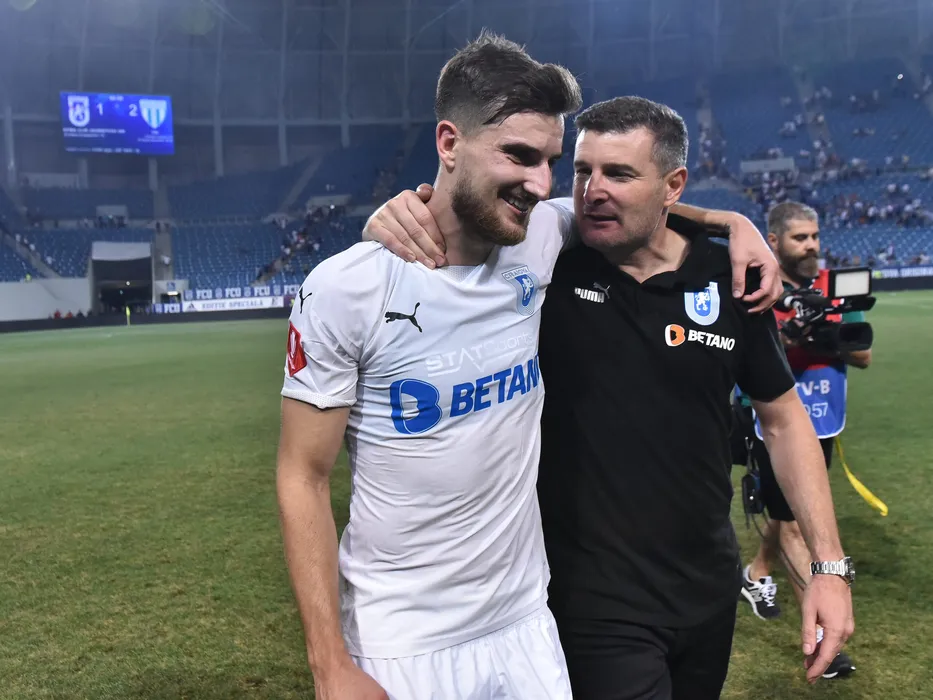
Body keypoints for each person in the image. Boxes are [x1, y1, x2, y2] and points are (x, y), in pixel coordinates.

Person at [364, 96, 854, 699]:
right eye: (582, 170)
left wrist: (829, 567)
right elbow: (459, 213)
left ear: (673, 185)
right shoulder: (543, 268)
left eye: (619, 174)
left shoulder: (729, 279)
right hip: (593, 600)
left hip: (707, 588)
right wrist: (398, 212)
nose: (592, 190)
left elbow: (782, 420)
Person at [738, 201, 869, 679]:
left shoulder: (833, 287)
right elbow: (743, 355)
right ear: (774, 241)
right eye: (800, 238)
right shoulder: (755, 287)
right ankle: (820, 642)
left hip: (824, 417)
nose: (811, 245)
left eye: (814, 236)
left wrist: (826, 336)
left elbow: (864, 354)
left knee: (786, 512)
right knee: (794, 523)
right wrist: (789, 333)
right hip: (773, 422)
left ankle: (755, 573)